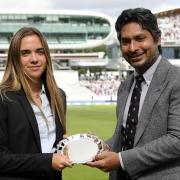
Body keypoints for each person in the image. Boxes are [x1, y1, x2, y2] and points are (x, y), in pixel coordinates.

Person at [87, 8, 180, 180]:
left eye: (140, 39)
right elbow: (124, 136)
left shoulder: (176, 80)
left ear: (157, 39)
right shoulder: (125, 85)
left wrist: (121, 160)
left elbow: (177, 141)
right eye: (126, 41)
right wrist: (98, 147)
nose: (133, 48)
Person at [0, 27, 72, 179]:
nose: (34, 59)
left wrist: (70, 144)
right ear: (15, 58)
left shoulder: (59, 96)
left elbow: (48, 146)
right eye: (25, 53)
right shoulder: (3, 98)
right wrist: (47, 161)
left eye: (40, 51)